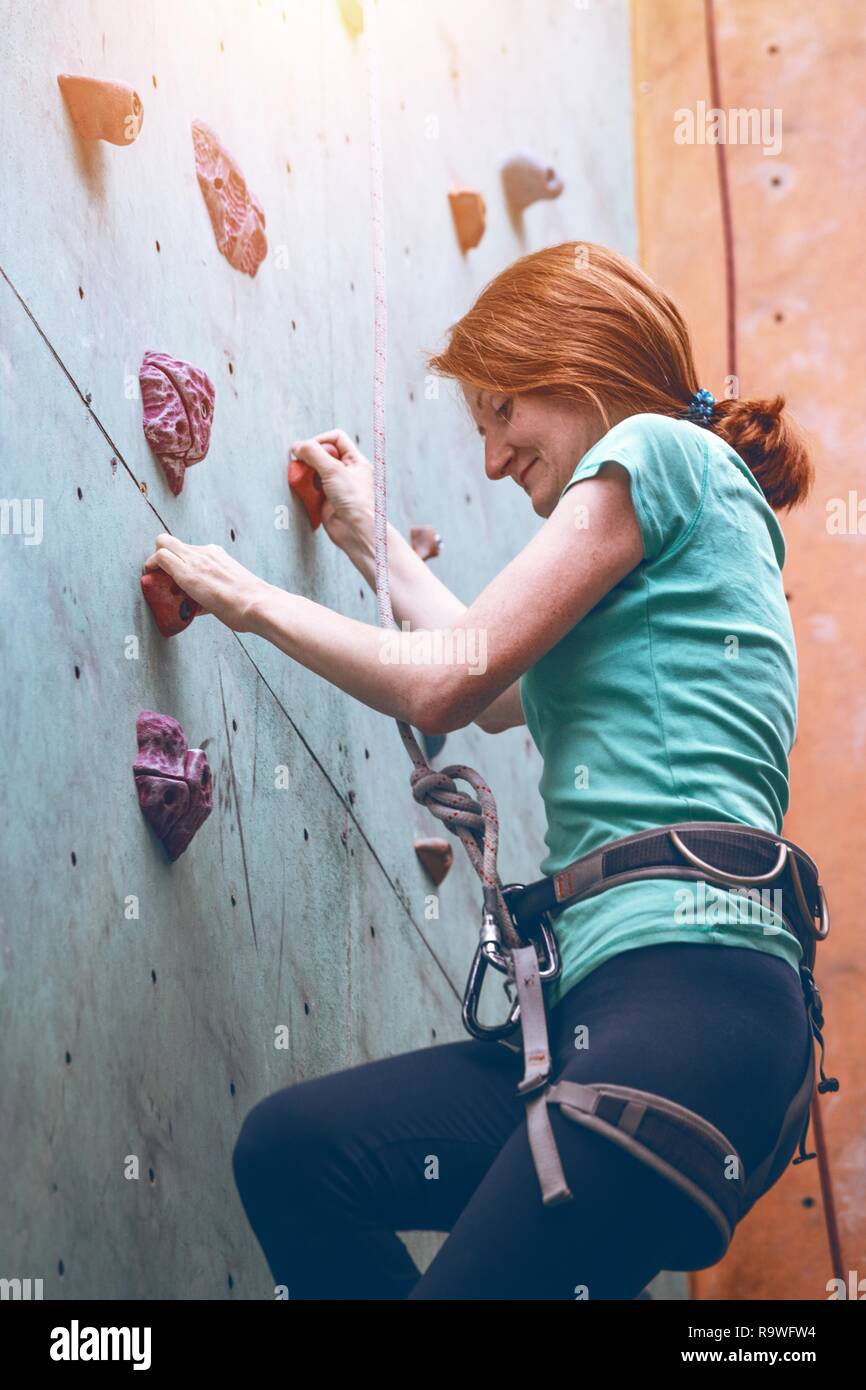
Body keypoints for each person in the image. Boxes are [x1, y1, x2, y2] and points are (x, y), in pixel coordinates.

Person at [144, 242, 816, 1300]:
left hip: (681, 1004)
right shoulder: (676, 526)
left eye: (501, 412)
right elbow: (499, 689)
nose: (496, 459)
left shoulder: (658, 451)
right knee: (297, 1153)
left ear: (574, 358)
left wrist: (247, 599)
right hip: (621, 1022)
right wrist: (375, 543)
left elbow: (443, 688)